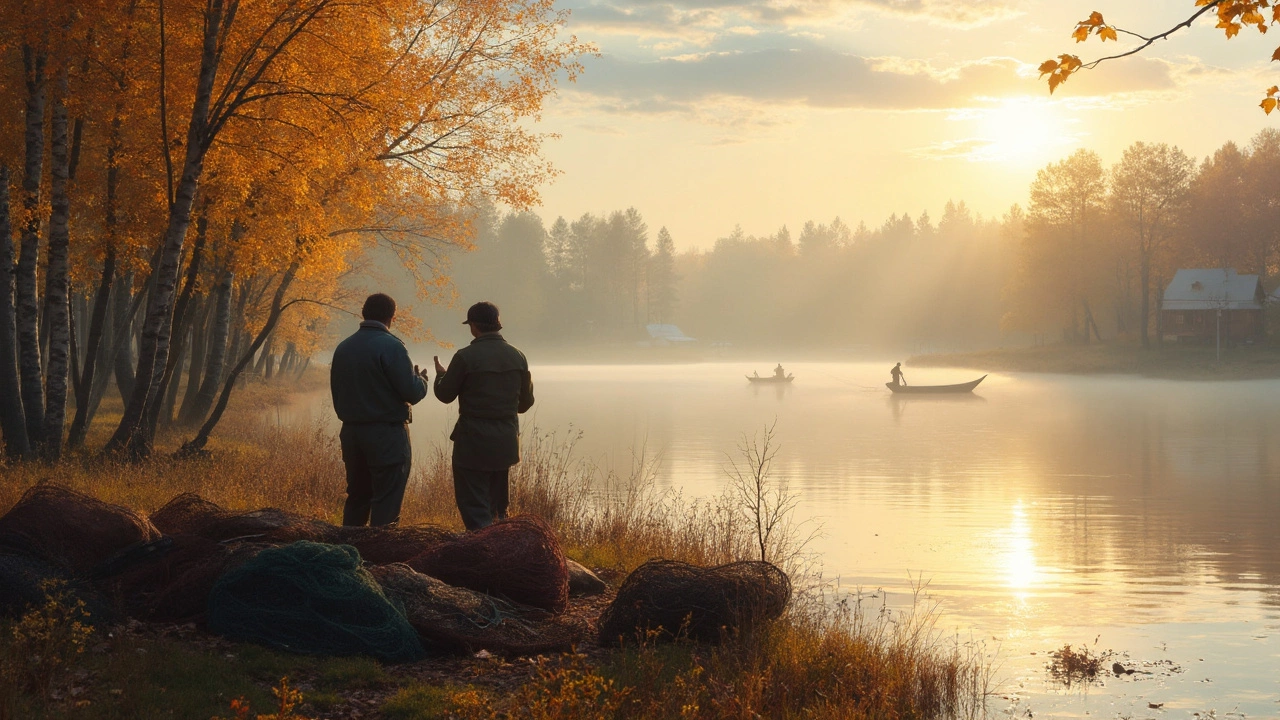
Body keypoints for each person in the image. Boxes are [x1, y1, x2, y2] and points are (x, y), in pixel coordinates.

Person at [433, 301, 534, 531]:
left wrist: (441, 376)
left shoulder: (465, 357)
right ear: (497, 325)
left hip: (472, 443)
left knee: (474, 506)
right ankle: (501, 550)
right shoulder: (518, 357)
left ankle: (482, 552)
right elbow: (525, 403)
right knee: (498, 507)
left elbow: (445, 395)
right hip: (506, 443)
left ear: (474, 326)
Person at [330, 293, 430, 526]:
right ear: (391, 317)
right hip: (386, 435)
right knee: (387, 499)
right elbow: (411, 392)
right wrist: (421, 380)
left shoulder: (343, 347)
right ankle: (380, 557)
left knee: (357, 497)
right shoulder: (392, 346)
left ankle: (348, 552)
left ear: (363, 313)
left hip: (352, 434)